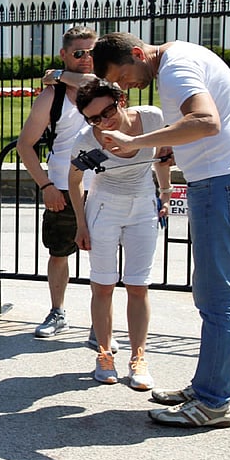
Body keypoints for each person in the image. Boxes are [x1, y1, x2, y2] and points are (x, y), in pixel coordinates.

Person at [92, 32, 230, 428]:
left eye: (124, 75)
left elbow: (206, 121)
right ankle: (208, 387)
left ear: (138, 54)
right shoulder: (185, 56)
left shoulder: (173, 69)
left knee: (217, 299)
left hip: (221, 184)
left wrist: (138, 140)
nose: (127, 86)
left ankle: (213, 402)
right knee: (212, 293)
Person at [67, 79, 171, 390]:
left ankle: (138, 358)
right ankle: (104, 354)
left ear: (121, 100)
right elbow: (74, 181)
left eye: (108, 111)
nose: (104, 121)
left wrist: (164, 193)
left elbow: (163, 155)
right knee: (103, 285)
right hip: (104, 208)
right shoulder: (88, 140)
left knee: (138, 285)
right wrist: (81, 224)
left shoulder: (150, 118)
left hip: (142, 206)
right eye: (94, 118)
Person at [16, 26, 98, 341]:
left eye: (92, 52)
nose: (87, 58)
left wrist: (59, 73)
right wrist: (46, 185)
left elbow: (93, 83)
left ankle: (99, 323)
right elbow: (26, 144)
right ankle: (57, 310)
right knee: (59, 252)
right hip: (63, 185)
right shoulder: (53, 94)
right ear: (65, 54)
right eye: (79, 53)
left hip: (103, 186)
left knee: (103, 256)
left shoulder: (107, 86)